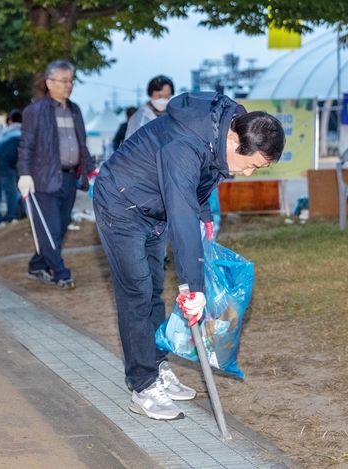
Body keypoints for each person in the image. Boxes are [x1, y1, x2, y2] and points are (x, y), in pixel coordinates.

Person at [94, 92, 285, 420]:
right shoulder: (185, 146)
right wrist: (193, 287)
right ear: (234, 140)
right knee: (136, 293)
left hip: (155, 206)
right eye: (251, 164)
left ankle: (155, 364)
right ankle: (142, 385)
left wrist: (206, 217)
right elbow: (181, 210)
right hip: (120, 203)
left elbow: (202, 180)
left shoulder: (225, 127)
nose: (249, 173)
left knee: (152, 288)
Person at [17, 60, 96, 290]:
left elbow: (82, 144)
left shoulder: (75, 110)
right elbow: (26, 146)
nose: (68, 85)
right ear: (50, 83)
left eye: (71, 80)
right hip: (43, 180)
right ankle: (60, 272)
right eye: (63, 81)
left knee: (60, 228)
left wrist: (91, 172)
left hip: (70, 179)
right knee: (50, 229)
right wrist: (24, 174)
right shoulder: (35, 112)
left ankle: (36, 264)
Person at [0, 110, 22, 230]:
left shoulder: (5, 131)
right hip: (5, 163)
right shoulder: (23, 132)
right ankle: (11, 218)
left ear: (10, 120)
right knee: (11, 192)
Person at [124, 75, 174, 140]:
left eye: (167, 96)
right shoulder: (139, 118)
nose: (163, 100)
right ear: (150, 94)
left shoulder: (175, 116)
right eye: (159, 96)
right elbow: (130, 146)